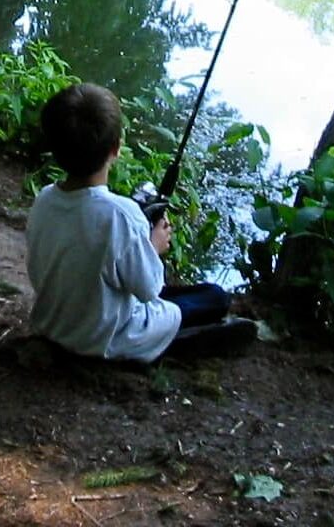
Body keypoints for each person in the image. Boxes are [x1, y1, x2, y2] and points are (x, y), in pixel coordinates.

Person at [25, 82, 255, 362]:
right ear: (115, 149)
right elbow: (150, 289)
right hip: (106, 339)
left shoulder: (45, 198)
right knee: (216, 297)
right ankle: (174, 345)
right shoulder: (121, 215)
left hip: (53, 324)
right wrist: (153, 246)